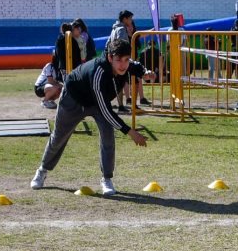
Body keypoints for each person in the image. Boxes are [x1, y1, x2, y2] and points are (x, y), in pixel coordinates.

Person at [30, 39, 155, 196]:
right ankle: (42, 170)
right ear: (110, 58)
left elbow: (135, 65)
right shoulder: (98, 73)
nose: (123, 65)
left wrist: (145, 72)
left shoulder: (126, 64)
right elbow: (106, 110)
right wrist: (130, 132)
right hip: (74, 99)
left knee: (108, 135)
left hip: (97, 102)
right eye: (118, 60)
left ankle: (106, 179)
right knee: (59, 137)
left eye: (125, 60)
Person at [106, 10, 135, 113]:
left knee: (116, 83)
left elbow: (108, 43)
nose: (131, 21)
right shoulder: (122, 29)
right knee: (120, 83)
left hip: (114, 59)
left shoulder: (114, 28)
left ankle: (120, 104)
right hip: (120, 60)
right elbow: (122, 45)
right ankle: (120, 105)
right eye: (130, 18)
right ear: (125, 19)